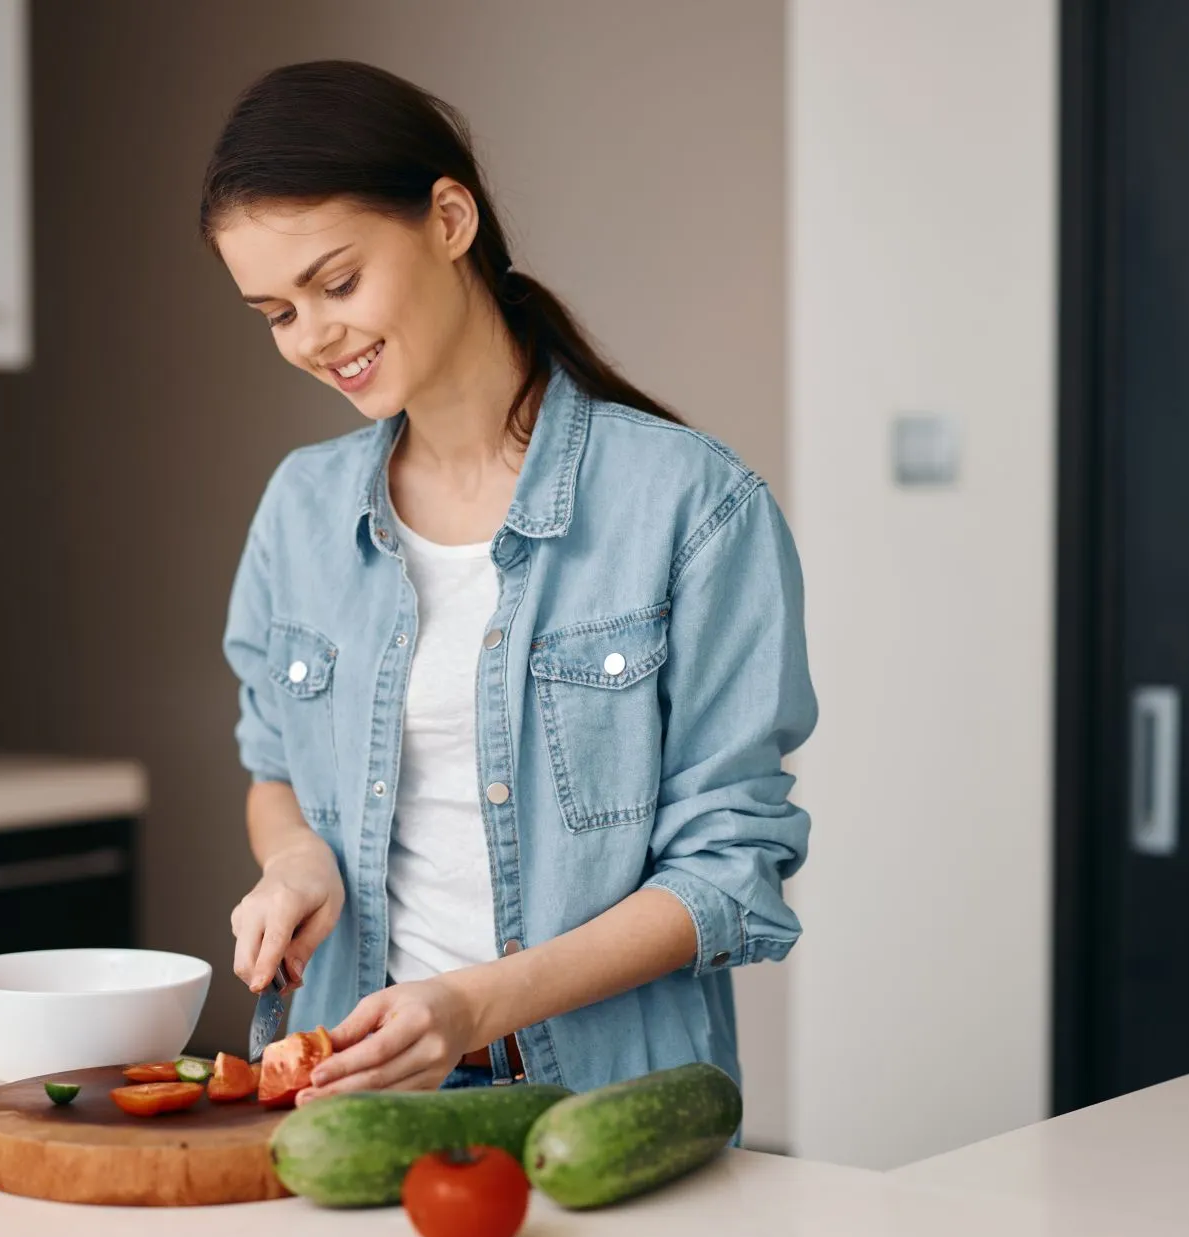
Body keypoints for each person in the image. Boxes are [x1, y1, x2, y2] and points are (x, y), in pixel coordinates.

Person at [206, 59, 815, 1104]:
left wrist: (474, 1004)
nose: (313, 338)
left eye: (336, 283)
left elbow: (725, 872)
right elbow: (272, 765)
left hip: (603, 1109)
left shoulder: (691, 506)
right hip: (348, 1103)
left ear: (449, 219)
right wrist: (298, 859)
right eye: (275, 312)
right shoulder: (300, 511)